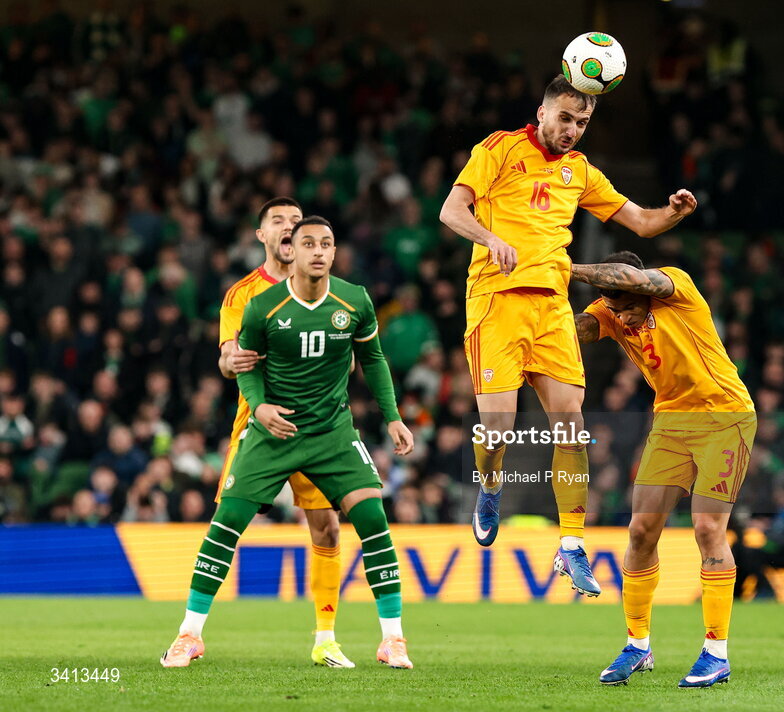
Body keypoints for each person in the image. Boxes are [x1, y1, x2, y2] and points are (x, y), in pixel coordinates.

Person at [439, 76, 697, 597]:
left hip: (554, 308)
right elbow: (451, 210)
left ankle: (572, 546)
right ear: (542, 111)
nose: (572, 130)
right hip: (497, 301)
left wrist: (673, 212)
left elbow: (642, 224)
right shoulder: (497, 149)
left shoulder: (580, 172)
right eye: (565, 118)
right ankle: (490, 485)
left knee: (572, 427)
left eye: (581, 123)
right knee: (497, 427)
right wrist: (491, 240)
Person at [161, 216, 415, 669]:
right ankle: (189, 635)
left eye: (327, 244)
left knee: (373, 518)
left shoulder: (354, 300)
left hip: (333, 434)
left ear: (335, 253)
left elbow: (372, 359)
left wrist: (393, 417)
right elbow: (247, 365)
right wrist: (258, 408)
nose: (318, 251)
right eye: (309, 244)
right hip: (272, 432)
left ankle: (392, 640)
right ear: (290, 252)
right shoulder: (262, 306)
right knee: (226, 524)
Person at [571, 251, 755, 688]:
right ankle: (638, 645)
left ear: (638, 286)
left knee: (708, 528)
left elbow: (627, 277)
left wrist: (560, 264)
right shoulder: (611, 310)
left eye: (622, 303)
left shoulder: (676, 286)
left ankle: (716, 652)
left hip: (725, 415)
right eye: (609, 305)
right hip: (671, 419)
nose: (618, 315)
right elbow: (573, 330)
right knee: (640, 531)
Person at [213, 196, 351, 667]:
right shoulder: (244, 294)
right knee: (227, 527)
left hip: (315, 428)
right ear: (262, 236)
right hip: (258, 424)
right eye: (278, 221)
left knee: (328, 529)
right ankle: (190, 633)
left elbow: (351, 353)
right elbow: (228, 360)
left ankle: (326, 638)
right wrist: (232, 361)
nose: (290, 227)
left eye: (297, 220)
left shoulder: (330, 291)